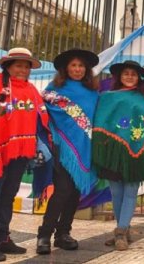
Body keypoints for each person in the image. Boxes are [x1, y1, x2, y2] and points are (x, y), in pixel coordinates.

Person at [0, 48, 48, 262]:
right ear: (8, 66)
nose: (23, 70)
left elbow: (38, 117)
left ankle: (2, 237)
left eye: (26, 66)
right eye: (18, 65)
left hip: (19, 152)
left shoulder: (31, 90)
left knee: (7, 195)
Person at [36, 49, 99, 255]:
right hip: (62, 148)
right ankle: (44, 234)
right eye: (74, 65)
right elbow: (43, 111)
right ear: (66, 68)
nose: (78, 69)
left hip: (85, 147)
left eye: (81, 66)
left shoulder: (92, 92)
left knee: (75, 192)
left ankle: (63, 233)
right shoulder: (54, 89)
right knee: (62, 190)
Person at [92, 60, 144, 251]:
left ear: (139, 78)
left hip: (136, 153)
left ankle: (120, 231)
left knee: (130, 192)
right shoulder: (107, 97)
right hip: (113, 152)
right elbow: (101, 121)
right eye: (125, 73)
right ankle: (123, 231)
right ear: (119, 76)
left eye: (133, 74)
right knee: (116, 193)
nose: (129, 76)